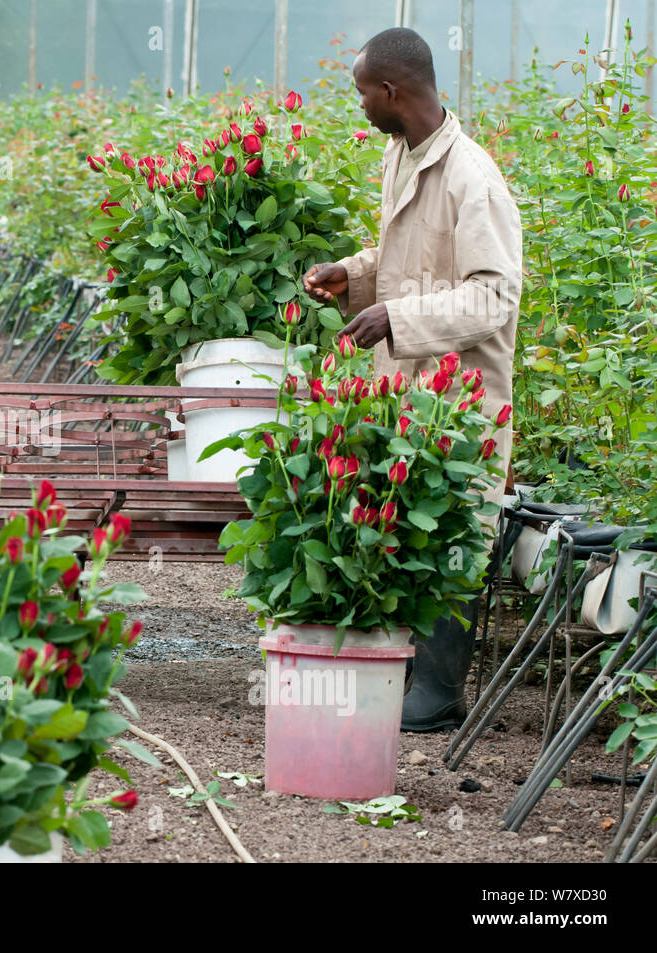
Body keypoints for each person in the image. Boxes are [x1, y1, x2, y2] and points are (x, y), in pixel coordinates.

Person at [303, 27, 522, 733]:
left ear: (392, 92)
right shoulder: (404, 153)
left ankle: (440, 690)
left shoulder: (472, 178)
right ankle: (408, 673)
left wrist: (395, 317)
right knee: (411, 517)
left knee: (459, 524)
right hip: (413, 386)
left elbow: (494, 297)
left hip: (462, 393)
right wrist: (354, 275)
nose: (360, 105)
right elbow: (406, 254)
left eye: (364, 92)